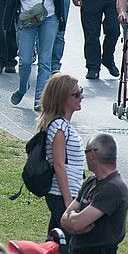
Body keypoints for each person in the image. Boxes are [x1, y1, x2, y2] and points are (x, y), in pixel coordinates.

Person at [59, 133, 128, 254]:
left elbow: (76, 223)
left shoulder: (113, 187)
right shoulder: (90, 182)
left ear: (92, 155)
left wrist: (74, 221)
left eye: (86, 152)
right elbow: (65, 219)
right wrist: (73, 220)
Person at [10, 0, 65, 108]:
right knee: (25, 60)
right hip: (27, 17)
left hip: (49, 17)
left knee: (45, 60)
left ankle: (39, 99)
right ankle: (22, 87)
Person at [36, 74, 85, 233]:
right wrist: (69, 201)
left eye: (81, 92)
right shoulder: (59, 126)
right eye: (76, 95)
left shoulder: (63, 125)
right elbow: (59, 165)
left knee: (56, 241)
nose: (81, 97)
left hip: (65, 193)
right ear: (63, 98)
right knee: (69, 241)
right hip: (60, 194)